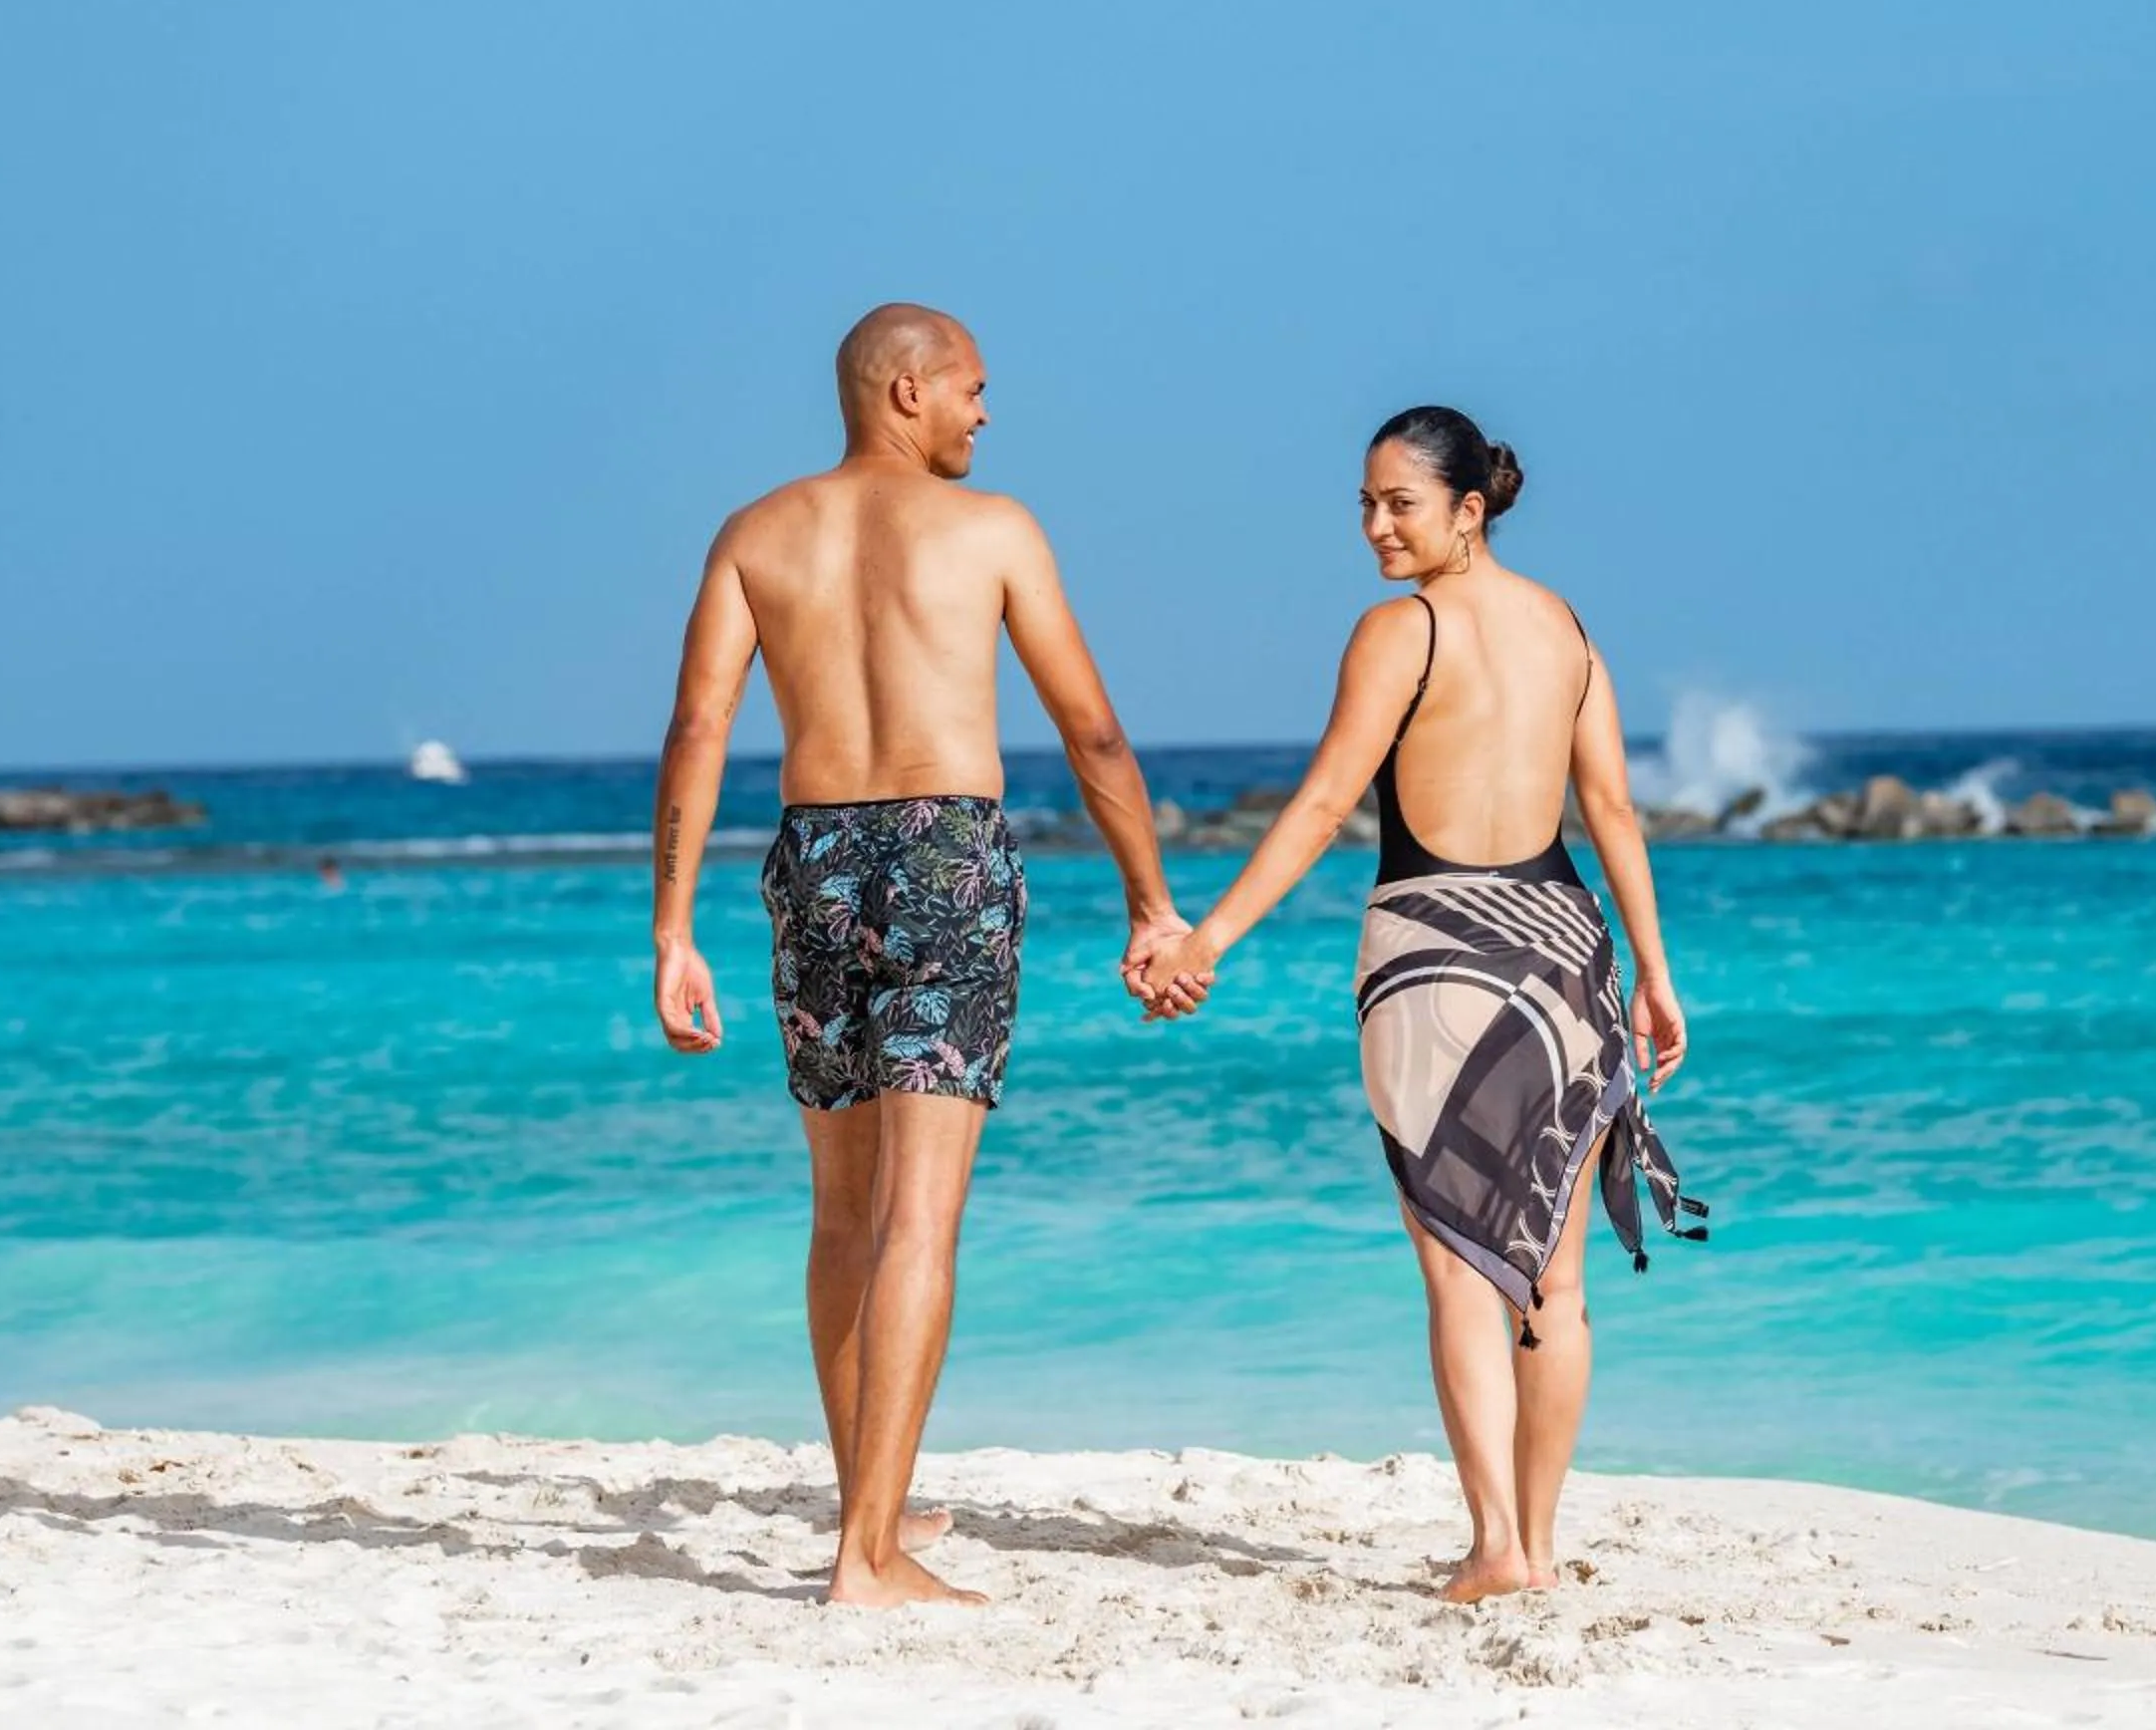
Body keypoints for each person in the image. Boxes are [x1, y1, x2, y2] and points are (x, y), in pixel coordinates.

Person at [651, 302, 1192, 1606]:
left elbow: (697, 727)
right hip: (945, 858)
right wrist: (1152, 905)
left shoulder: (756, 533)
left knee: (842, 1213)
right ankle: (867, 1557)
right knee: (920, 1219)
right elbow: (1095, 734)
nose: (985, 413)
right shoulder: (992, 529)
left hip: (815, 862)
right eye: (973, 389)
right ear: (906, 391)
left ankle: (874, 1517)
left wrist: (669, 930)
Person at [1139, 406, 1704, 1603]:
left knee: (1460, 1265)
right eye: (1364, 503)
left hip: (1439, 959)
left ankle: (1499, 1542)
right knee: (1554, 1278)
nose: (1375, 526)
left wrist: (1210, 938)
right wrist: (1651, 971)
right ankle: (1534, 1546)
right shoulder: (1566, 627)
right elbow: (1611, 812)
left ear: (1469, 509)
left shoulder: (1403, 631)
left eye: (1399, 504)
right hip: (1568, 953)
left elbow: (1319, 805)